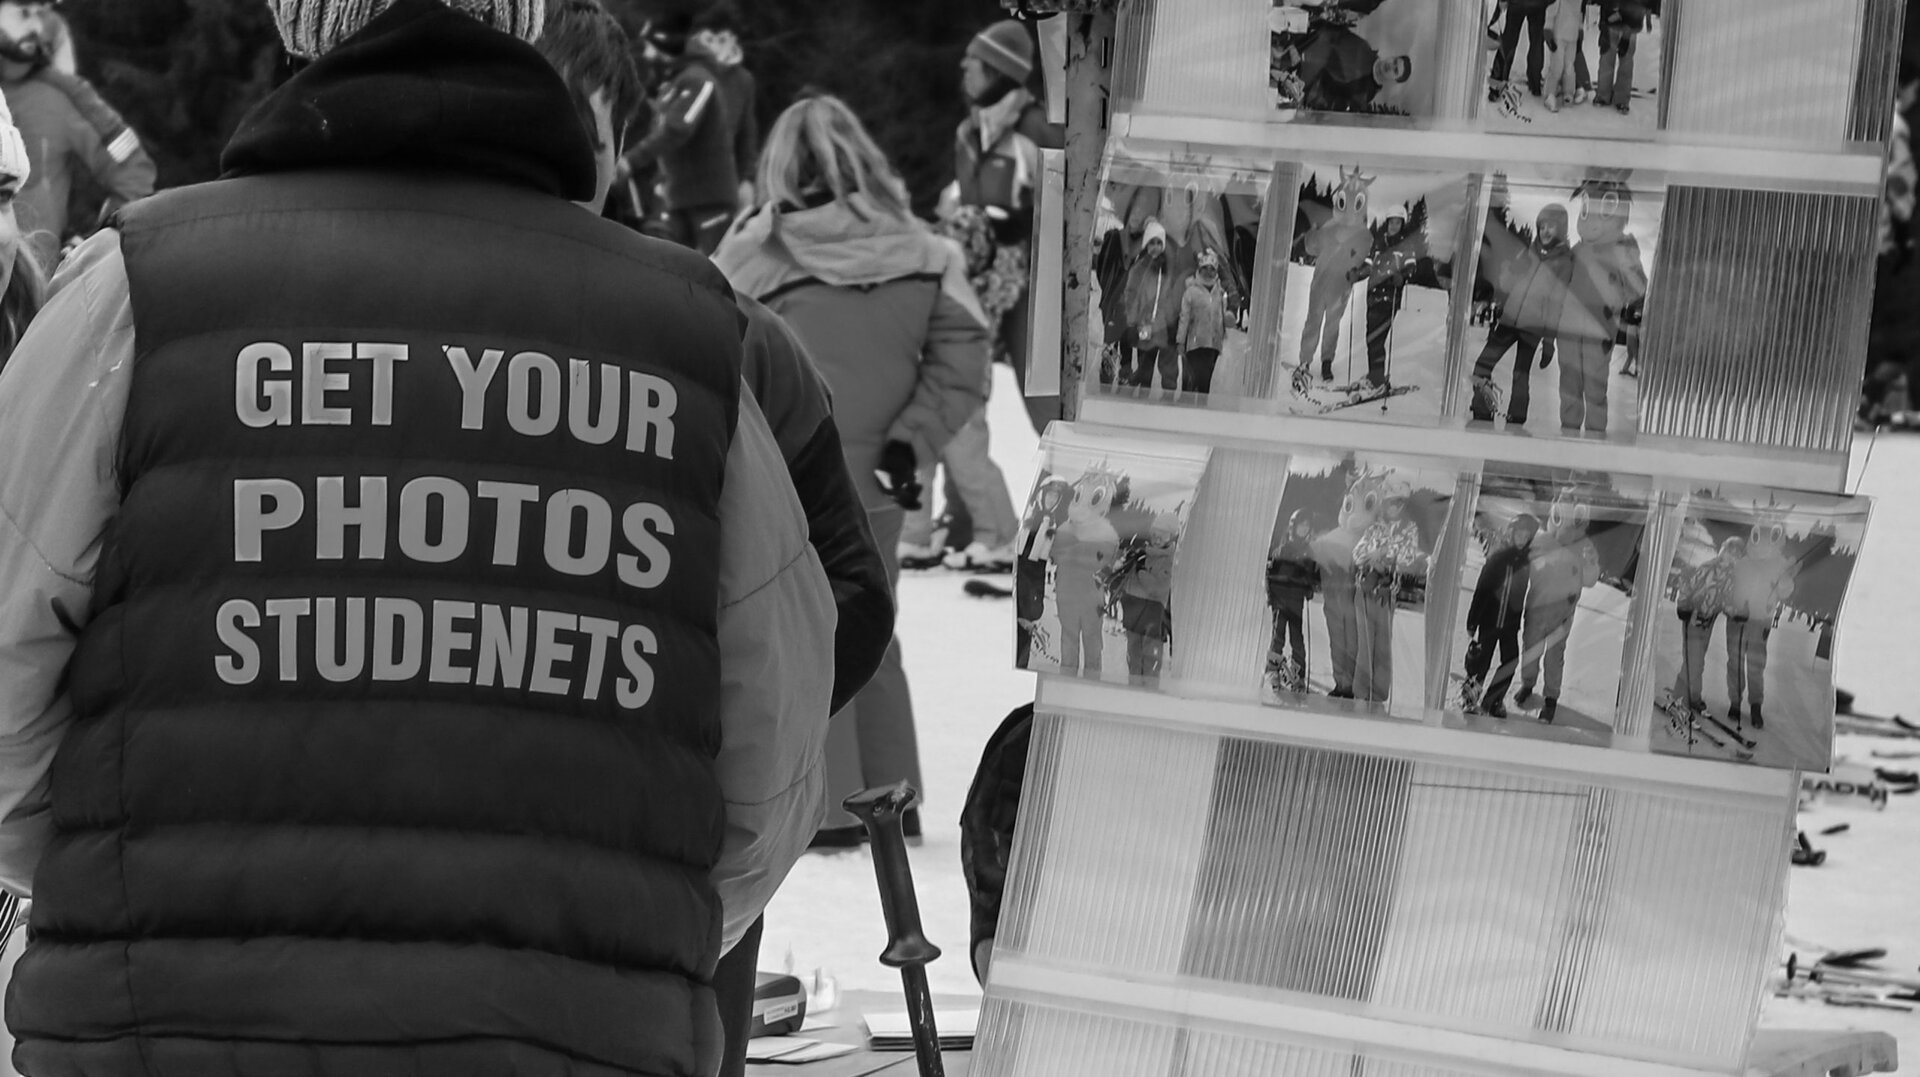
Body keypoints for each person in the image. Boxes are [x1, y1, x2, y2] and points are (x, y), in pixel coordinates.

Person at [0, 4, 840, 1074]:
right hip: (569, 1029)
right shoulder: (687, 331)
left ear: (307, 28)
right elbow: (772, 752)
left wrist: (109, 858)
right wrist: (617, 930)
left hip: (168, 1017)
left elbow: (7, 647)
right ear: (525, 24)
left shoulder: (141, 288)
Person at [537, 9, 894, 1073]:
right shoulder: (380, 319)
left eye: (579, 132)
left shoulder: (729, 334)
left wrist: (720, 759)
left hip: (670, 860)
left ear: (619, 146)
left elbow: (850, 596)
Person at [713, 93, 991, 846]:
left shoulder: (751, 254)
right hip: (885, 477)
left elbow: (712, 349)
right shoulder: (926, 250)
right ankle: (894, 799)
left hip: (792, 473)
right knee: (878, 626)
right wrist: (912, 442)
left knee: (801, 630)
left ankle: (829, 812)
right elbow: (965, 360)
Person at [949, 17, 1063, 434]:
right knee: (961, 396)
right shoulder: (968, 133)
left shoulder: (1036, 128)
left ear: (997, 71)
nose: (963, 67)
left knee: (1045, 405)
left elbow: (1078, 205)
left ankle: (1068, 465)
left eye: (973, 61)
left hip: (1033, 291)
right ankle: (963, 481)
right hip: (981, 284)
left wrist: (1025, 224)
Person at [0, 0, 154, 268]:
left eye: (41, 14)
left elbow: (134, 176)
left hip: (33, 285)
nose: (36, 27)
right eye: (24, 13)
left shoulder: (64, 94)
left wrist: (90, 247)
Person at [623, 6, 754, 254]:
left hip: (709, 195)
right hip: (678, 193)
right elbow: (659, 131)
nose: (647, 54)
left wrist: (630, 161)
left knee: (715, 265)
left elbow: (677, 129)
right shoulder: (672, 82)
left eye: (651, 46)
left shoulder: (701, 79)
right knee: (665, 260)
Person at [1471, 177, 1572, 426]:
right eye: (1542, 226)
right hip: (1509, 320)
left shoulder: (1564, 262)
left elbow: (1557, 304)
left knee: (1520, 373)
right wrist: (1505, 277)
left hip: (1533, 327)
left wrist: (1549, 341)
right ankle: (1482, 409)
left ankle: (1516, 418)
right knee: (1483, 365)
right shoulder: (1529, 251)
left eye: (1551, 227)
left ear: (1560, 230)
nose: (1545, 231)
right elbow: (1509, 284)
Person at [1515, 491, 1600, 725]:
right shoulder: (1540, 540)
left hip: (1562, 615)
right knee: (1530, 650)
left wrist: (1591, 562)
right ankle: (1527, 684)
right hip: (1536, 609)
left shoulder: (1584, 546)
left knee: (1554, 658)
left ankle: (1550, 698)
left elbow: (1590, 580)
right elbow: (1521, 563)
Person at [1463, 512, 1539, 719]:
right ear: (1511, 534)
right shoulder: (1498, 558)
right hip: (1489, 621)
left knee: (1510, 661)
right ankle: (1469, 700)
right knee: (1481, 662)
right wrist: (1473, 620)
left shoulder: (1525, 562)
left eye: (1526, 536)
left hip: (1509, 625)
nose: (1522, 539)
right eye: (1519, 534)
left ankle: (1493, 701)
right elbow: (1482, 590)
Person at [1361, 202, 1417, 396]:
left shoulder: (1406, 244)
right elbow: (1368, 265)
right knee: (1370, 339)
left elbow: (1412, 267)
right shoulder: (1379, 242)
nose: (1394, 226)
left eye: (1397, 223)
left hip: (1389, 298)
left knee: (1377, 340)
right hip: (1373, 296)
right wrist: (1355, 274)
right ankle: (1374, 376)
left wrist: (1402, 276)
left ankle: (1377, 381)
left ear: (1402, 224)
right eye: (1391, 222)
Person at [1119, 217, 1181, 392]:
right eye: (1152, 243)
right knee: (1145, 359)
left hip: (1162, 323)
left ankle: (1163, 391)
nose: (1155, 247)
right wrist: (1133, 318)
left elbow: (1171, 294)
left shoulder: (1167, 268)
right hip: (1144, 321)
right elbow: (1130, 293)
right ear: (1146, 245)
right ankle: (1140, 388)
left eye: (1159, 243)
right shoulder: (1139, 268)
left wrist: (1170, 317)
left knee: (1163, 361)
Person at [1015, 476, 1070, 668]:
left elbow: (1039, 571)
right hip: (1013, 580)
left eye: (1056, 497)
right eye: (1049, 495)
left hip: (1029, 589)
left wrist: (1031, 610)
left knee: (1022, 646)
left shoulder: (1053, 525)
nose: (1051, 500)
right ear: (1042, 495)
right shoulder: (1027, 515)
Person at [1297, 22, 1412, 112]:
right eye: (1394, 61)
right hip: (1300, 43)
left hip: (1297, 79)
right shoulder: (1363, 47)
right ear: (1392, 56)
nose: (1390, 66)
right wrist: (1304, 42)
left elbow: (1326, 101)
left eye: (1395, 70)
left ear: (1394, 80)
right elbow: (1334, 32)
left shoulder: (1363, 95)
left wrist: (1301, 84)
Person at [1266, 509, 1320, 694]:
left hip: (1296, 601)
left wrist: (1310, 586)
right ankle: (1273, 669)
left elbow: (1312, 574)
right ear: (1293, 527)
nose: (1303, 529)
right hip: (1281, 601)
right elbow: (1270, 573)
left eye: (1307, 526)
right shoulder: (1283, 549)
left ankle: (1297, 673)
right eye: (1301, 525)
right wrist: (1271, 595)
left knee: (1297, 638)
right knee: (1278, 635)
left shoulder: (1308, 551)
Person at [1175, 247, 1229, 403]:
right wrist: (1180, 341)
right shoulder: (1191, 291)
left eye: (1212, 269)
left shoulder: (1219, 291)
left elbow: (1222, 315)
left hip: (1212, 344)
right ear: (1199, 269)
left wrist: (1222, 335)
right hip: (1195, 343)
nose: (1208, 272)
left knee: (1206, 379)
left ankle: (1201, 405)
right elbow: (1184, 317)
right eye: (1205, 268)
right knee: (1192, 376)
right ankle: (1186, 402)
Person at [1593, 0, 1648, 115]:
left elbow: (1640, 5)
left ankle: (1622, 99)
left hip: (1630, 25)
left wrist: (1628, 31)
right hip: (1610, 22)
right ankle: (1603, 94)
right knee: (1606, 58)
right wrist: (1603, 23)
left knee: (1626, 62)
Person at [1491, 0, 1551, 99]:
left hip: (1516, 4)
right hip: (1539, 4)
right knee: (1536, 43)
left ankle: (1497, 83)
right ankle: (1535, 84)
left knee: (1509, 41)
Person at [1543, 0, 1583, 111]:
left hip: (1572, 37)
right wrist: (1548, 31)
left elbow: (1579, 15)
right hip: (1559, 36)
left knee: (1569, 67)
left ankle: (1568, 92)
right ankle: (1550, 94)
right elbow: (1550, 13)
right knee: (1557, 67)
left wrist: (1580, 32)